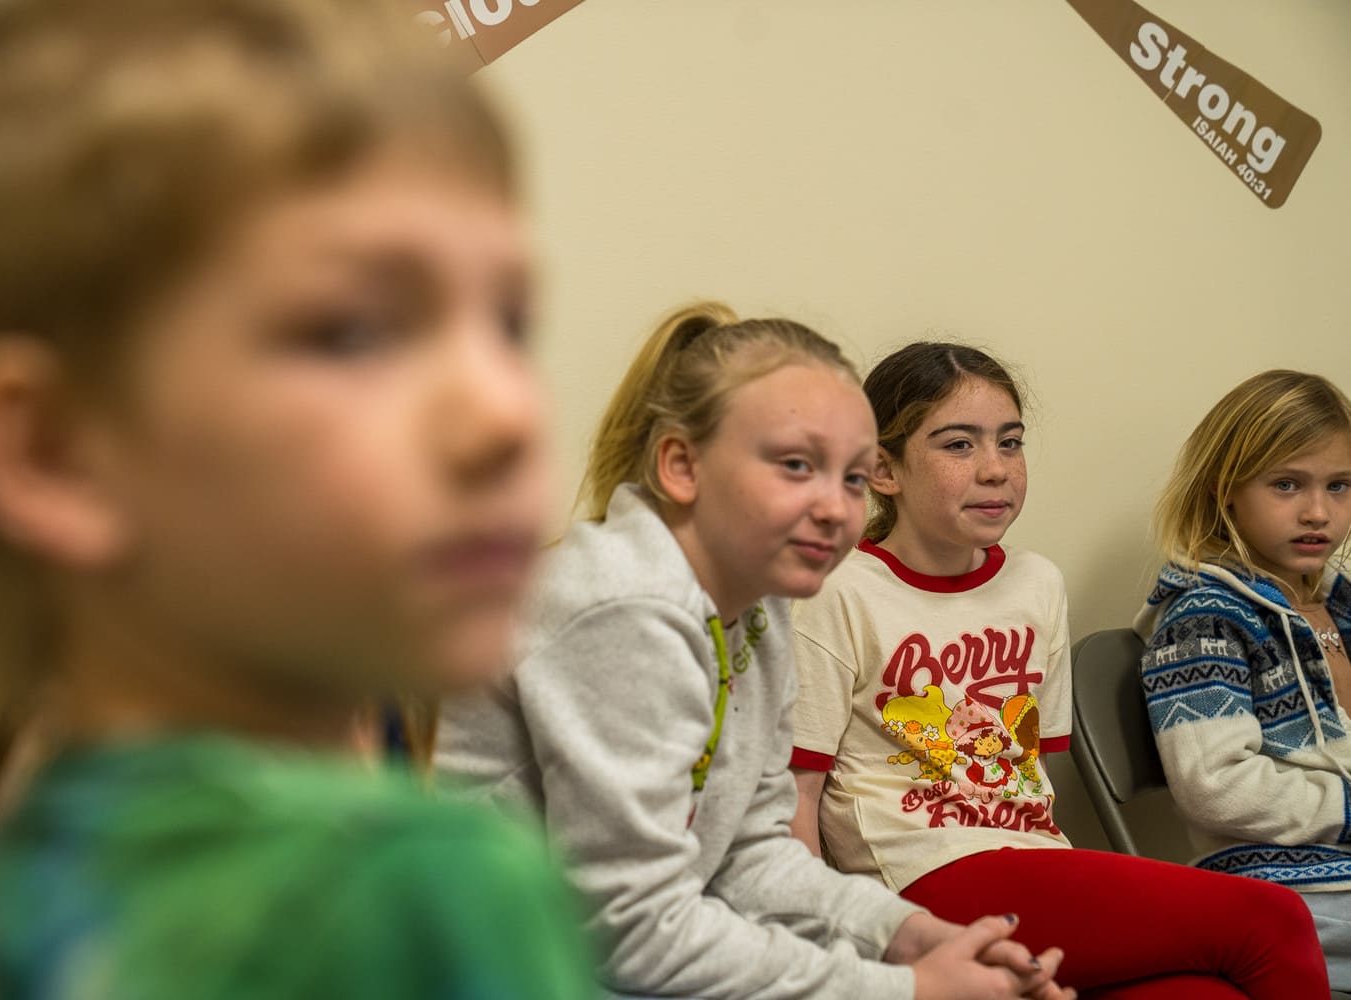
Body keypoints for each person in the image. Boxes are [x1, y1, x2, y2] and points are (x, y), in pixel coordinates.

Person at [0, 0, 594, 997]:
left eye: (510, 323)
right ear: (54, 449)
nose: (507, 412)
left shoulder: (29, 836)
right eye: (353, 331)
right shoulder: (423, 889)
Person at [439, 303, 1074, 1000]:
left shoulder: (760, 604)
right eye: (797, 466)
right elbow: (630, 933)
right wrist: (904, 989)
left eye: (855, 478)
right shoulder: (626, 605)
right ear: (682, 466)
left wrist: (911, 933)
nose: (835, 507)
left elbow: (749, 851)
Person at [790, 343, 1328, 998]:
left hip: (1034, 863)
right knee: (1270, 919)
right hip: (920, 877)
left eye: (1010, 444)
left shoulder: (1036, 582)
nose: (995, 470)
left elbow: (1034, 777)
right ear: (882, 468)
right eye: (959, 446)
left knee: (1204, 991)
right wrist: (825, 958)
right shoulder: (835, 589)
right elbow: (800, 796)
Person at [1138, 369, 1351, 990]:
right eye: (1287, 484)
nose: (1319, 511)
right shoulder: (1203, 621)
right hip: (1287, 892)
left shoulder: (1342, 608)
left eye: (1340, 486)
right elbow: (1217, 785)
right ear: (1225, 490)